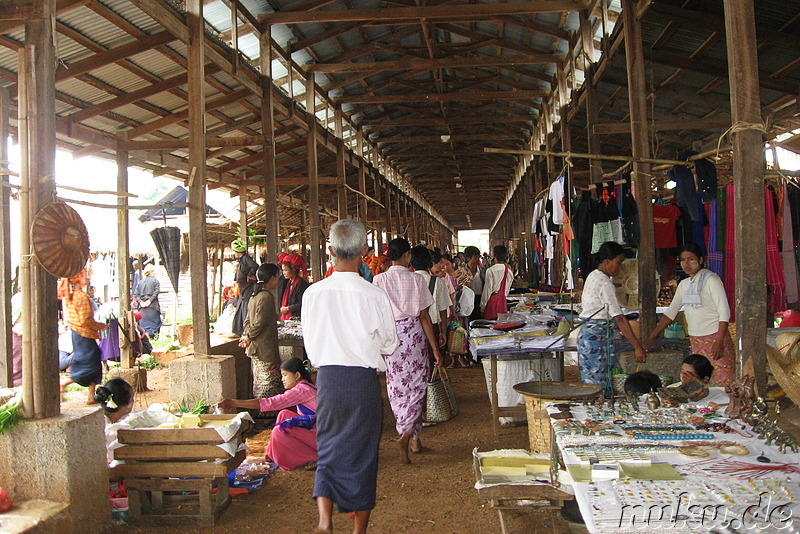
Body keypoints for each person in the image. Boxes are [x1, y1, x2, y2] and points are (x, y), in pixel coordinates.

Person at [301, 219, 399, 534]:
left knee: (327, 446)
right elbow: (390, 343)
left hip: (327, 381)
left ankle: (325, 522)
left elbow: (310, 343)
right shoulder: (374, 295)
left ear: (330, 251)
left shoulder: (313, 293)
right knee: (363, 454)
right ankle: (359, 531)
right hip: (362, 383)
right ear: (364, 252)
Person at [373, 238, 443, 464]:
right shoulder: (416, 280)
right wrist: (435, 349)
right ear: (407, 256)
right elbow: (424, 317)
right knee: (417, 387)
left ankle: (413, 438)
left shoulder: (378, 280)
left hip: (391, 338)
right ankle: (407, 437)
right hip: (413, 338)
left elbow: (376, 316)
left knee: (396, 387)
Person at [643, 243, 735, 386]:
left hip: (714, 337)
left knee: (723, 379)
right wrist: (652, 336)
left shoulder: (711, 280)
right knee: (700, 381)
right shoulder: (684, 284)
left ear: (700, 260)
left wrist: (720, 340)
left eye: (691, 259)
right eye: (683, 259)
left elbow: (724, 311)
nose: (686, 263)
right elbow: (670, 313)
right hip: (696, 339)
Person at [220, 358, 318, 471]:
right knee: (284, 415)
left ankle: (314, 457)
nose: (282, 379)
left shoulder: (301, 390)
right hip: (318, 431)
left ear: (297, 375)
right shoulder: (306, 386)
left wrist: (233, 403)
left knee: (279, 431)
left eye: (285, 375)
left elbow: (271, 403)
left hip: (323, 438)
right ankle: (272, 452)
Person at [578, 242, 646, 395]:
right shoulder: (604, 283)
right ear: (606, 261)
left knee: (595, 382)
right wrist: (637, 346)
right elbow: (620, 318)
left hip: (589, 335)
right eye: (618, 263)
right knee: (598, 386)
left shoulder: (593, 275)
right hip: (595, 338)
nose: (620, 267)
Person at [240, 263, 283, 408]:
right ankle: (268, 415)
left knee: (260, 383)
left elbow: (247, 321)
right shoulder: (266, 297)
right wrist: (249, 336)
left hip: (255, 347)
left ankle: (261, 413)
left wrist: (247, 335)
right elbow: (260, 322)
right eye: (277, 277)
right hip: (264, 348)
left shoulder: (254, 296)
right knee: (269, 384)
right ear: (271, 278)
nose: (278, 280)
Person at [62, 274, 107, 403]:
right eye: (84, 276)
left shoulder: (69, 296)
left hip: (76, 333)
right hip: (84, 333)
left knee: (92, 359)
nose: (87, 278)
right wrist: (100, 326)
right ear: (78, 280)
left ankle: (91, 395)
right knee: (89, 364)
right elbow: (86, 320)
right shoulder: (81, 297)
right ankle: (65, 383)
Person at [410, 246, 449, 348]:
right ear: (430, 263)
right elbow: (443, 309)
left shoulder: (408, 280)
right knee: (432, 359)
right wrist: (443, 332)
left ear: (411, 263)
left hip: (411, 328)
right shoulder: (438, 282)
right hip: (432, 326)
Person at [95, 378, 135, 465]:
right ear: (127, 405)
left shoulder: (123, 419)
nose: (133, 401)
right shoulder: (103, 428)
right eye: (132, 398)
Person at [232, 238, 259, 336]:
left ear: (237, 252)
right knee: (241, 305)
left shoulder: (246, 258)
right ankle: (239, 330)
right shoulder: (242, 260)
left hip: (247, 287)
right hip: (243, 287)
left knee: (246, 305)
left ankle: (245, 330)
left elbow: (255, 266)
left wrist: (249, 275)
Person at [480, 245, 513, 318]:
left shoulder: (490, 271)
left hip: (492, 304)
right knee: (502, 324)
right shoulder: (509, 272)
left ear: (494, 256)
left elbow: (487, 291)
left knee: (491, 326)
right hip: (502, 303)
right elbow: (506, 292)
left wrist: (482, 306)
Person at [277, 253, 310, 320]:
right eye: (283, 270)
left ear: (293, 270)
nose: (284, 273)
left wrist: (288, 308)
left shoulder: (301, 284)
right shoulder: (289, 283)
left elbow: (303, 303)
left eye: (285, 270)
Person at [134, 266, 162, 336]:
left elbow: (136, 294)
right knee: (155, 324)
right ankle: (150, 336)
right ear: (150, 272)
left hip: (142, 308)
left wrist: (141, 302)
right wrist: (150, 300)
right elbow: (156, 291)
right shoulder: (155, 281)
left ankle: (145, 336)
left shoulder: (140, 282)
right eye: (153, 271)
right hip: (153, 306)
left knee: (143, 326)